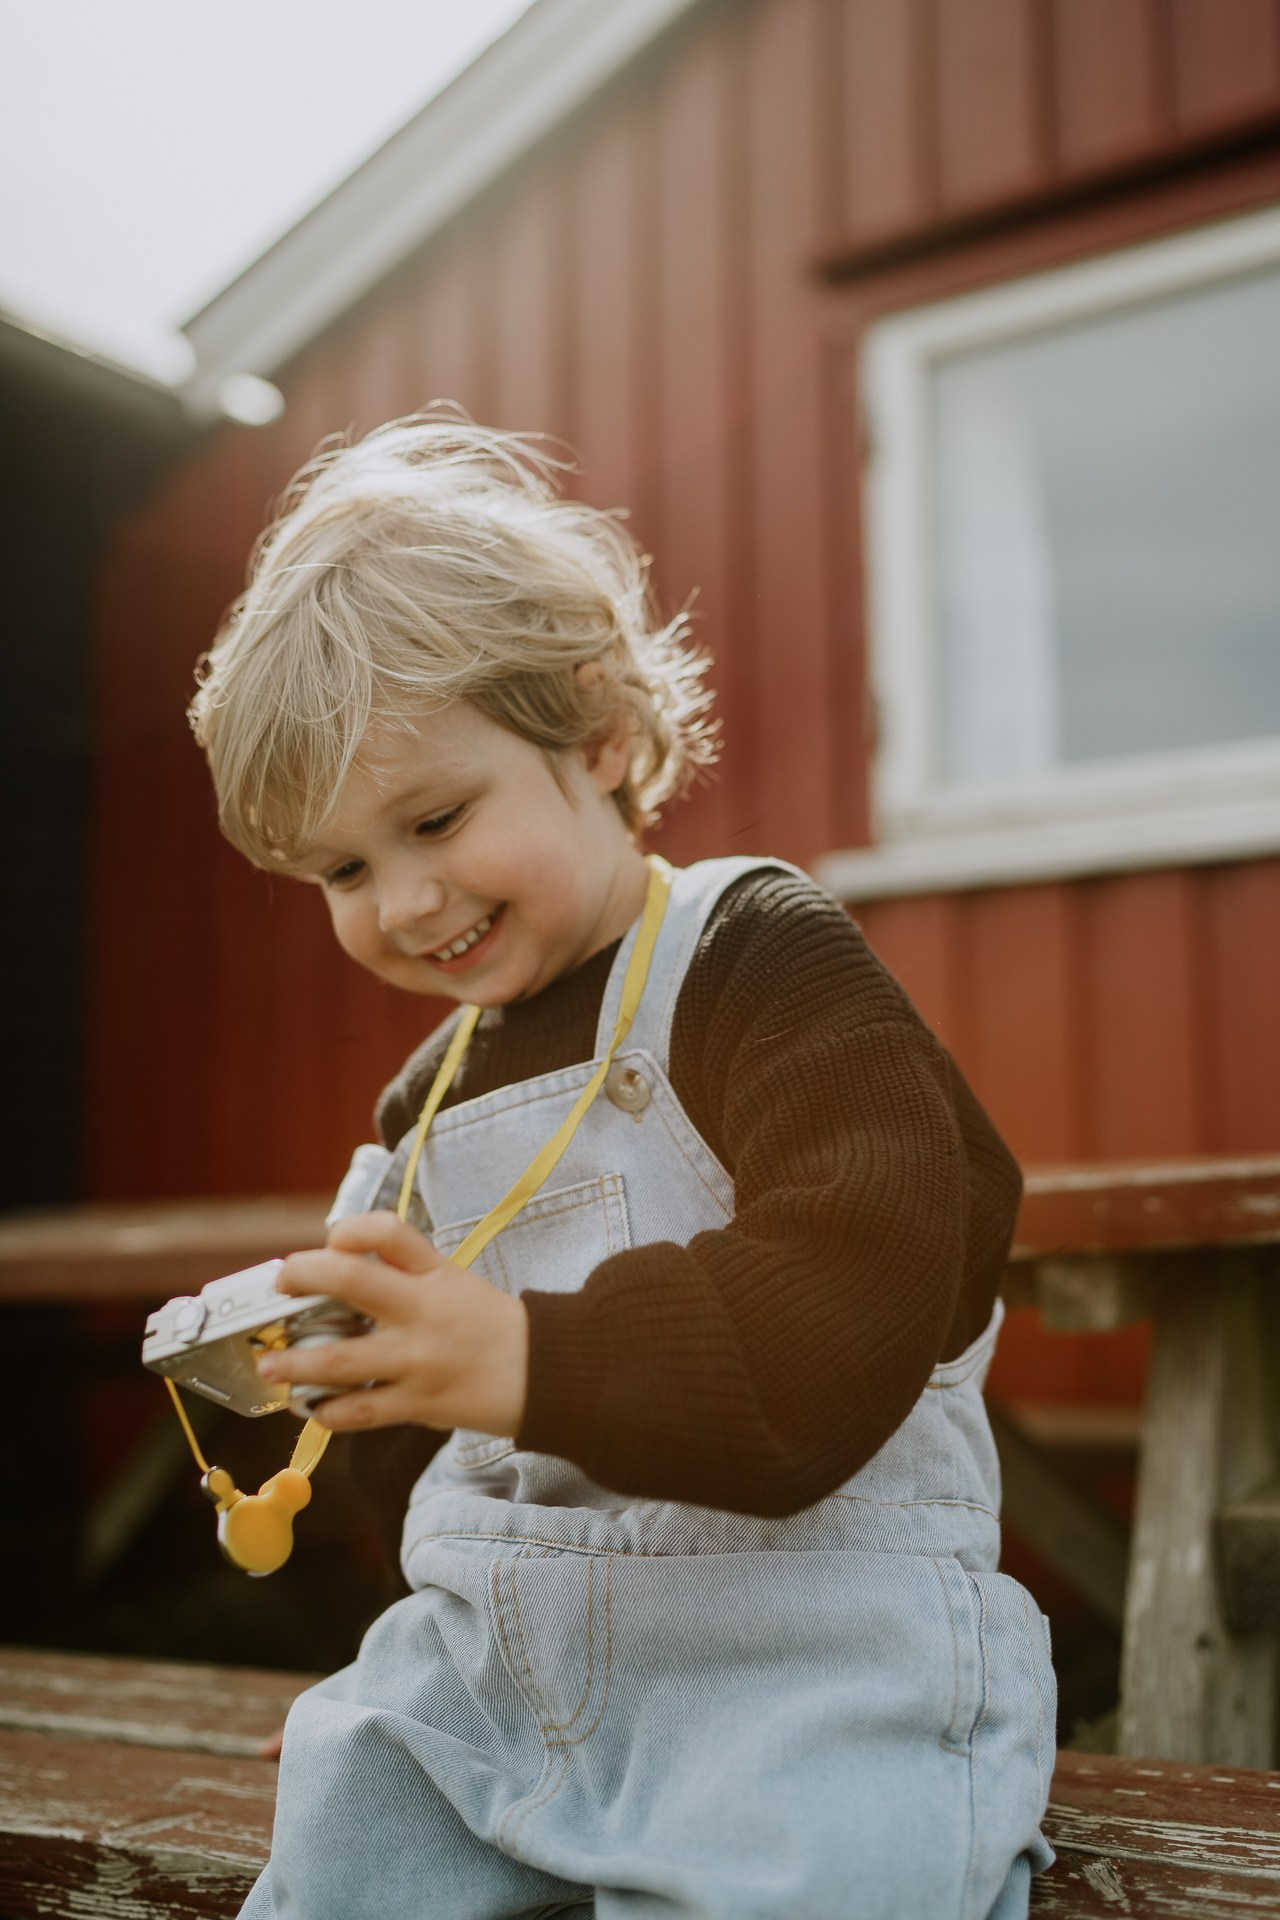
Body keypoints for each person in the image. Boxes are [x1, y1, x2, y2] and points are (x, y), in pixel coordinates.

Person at [190, 412, 1055, 1920]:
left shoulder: (760, 966)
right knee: (338, 1855)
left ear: (592, 727)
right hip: (504, 1664)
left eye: (436, 818)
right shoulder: (422, 1105)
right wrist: (400, 1660)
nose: (406, 902)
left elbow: (856, 1297)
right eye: (343, 869)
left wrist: (528, 1357)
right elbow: (416, 1451)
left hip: (807, 1649)